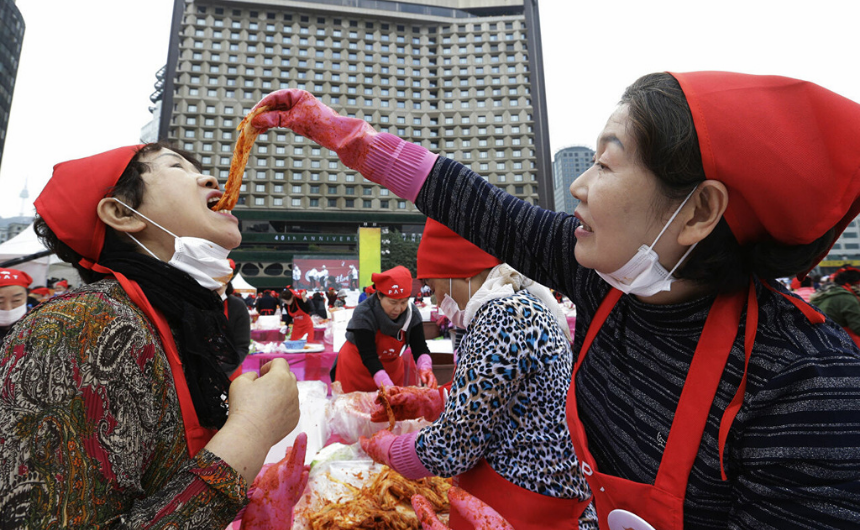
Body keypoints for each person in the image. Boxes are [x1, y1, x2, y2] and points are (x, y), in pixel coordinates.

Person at [248, 74, 860, 529]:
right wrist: (339, 132)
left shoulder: (808, 385)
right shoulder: (606, 282)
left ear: (697, 211)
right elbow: (478, 204)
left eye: (606, 164)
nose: (578, 185)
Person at [0, 143, 302, 528]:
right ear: (122, 213)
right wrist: (252, 431)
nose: (210, 178)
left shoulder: (175, 319)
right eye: (176, 166)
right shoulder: (80, 323)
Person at [361, 219, 595, 530]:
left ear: (458, 272)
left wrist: (392, 449)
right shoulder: (506, 310)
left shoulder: (503, 315)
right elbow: (491, 393)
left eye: (434, 286)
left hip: (531, 502)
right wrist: (430, 401)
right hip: (523, 494)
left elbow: (454, 446)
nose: (434, 299)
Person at [333, 265, 435, 393]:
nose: (398, 309)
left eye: (403, 302)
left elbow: (419, 347)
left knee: (392, 409)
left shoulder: (412, 313)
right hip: (357, 369)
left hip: (391, 371)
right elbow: (368, 355)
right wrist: (384, 382)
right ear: (380, 295)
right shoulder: (364, 313)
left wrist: (425, 367)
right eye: (393, 302)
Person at [810, 265, 860, 346]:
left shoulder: (824, 293)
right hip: (841, 343)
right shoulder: (846, 297)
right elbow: (857, 327)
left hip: (821, 340)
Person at [0, 267, 32, 343]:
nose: (8, 309)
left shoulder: (41, 323)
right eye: (0, 302)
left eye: (16, 300)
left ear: (27, 295)